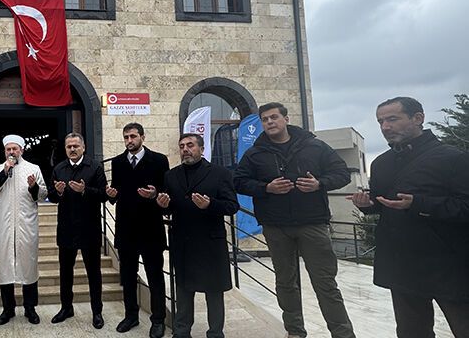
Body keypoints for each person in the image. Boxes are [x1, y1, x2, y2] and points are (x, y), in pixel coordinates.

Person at [349, 97, 469, 337]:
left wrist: (419, 204)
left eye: (392, 119)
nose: (385, 127)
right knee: (411, 331)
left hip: (449, 265)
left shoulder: (453, 158)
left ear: (418, 118)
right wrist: (368, 205)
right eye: (381, 121)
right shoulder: (381, 163)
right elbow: (382, 204)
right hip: (402, 263)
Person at [234, 102, 355, 338]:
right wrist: (266, 188)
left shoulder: (315, 146)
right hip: (276, 226)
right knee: (285, 282)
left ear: (286, 119)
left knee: (325, 283)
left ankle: (343, 334)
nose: (269, 122)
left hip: (312, 223)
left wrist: (320, 183)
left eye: (274, 117)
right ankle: (295, 331)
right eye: (265, 119)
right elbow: (238, 182)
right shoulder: (255, 153)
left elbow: (342, 173)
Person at [157, 133, 239, 338]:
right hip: (182, 242)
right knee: (183, 289)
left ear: (201, 149)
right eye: (182, 146)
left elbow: (232, 206)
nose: (185, 149)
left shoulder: (220, 173)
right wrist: (162, 205)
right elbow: (169, 206)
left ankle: (215, 333)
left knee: (214, 291)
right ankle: (182, 331)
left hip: (210, 242)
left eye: (190, 145)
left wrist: (210, 204)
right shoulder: (171, 176)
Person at [107, 122, 169, 338]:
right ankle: (131, 315)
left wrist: (155, 194)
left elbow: (166, 190)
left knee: (155, 276)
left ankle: (158, 320)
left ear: (142, 137)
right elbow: (115, 193)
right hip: (126, 229)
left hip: (151, 228)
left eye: (133, 136)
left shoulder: (159, 160)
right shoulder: (118, 162)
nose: (129, 141)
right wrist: (111, 194)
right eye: (126, 137)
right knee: (127, 277)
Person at [0, 134, 48, 326]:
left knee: (28, 267)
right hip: (4, 227)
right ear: (5, 151)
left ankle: (30, 308)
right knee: (5, 267)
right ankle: (8, 309)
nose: (12, 152)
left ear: (22, 150)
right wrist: (4, 172)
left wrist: (34, 187)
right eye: (8, 149)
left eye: (15, 149)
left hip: (26, 226)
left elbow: (43, 195)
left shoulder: (33, 169)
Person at [47, 132, 108, 329]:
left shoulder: (95, 167)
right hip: (66, 228)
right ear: (65, 149)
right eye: (69, 147)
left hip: (89, 228)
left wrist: (85, 191)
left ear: (83, 147)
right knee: (65, 272)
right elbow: (51, 197)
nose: (72, 149)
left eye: (75, 146)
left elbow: (103, 195)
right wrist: (58, 191)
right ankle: (66, 308)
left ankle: (97, 311)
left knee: (93, 273)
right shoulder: (59, 169)